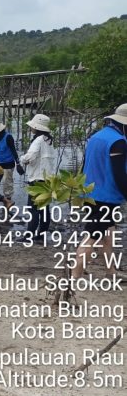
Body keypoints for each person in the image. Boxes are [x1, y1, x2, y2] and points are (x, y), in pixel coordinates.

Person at [72, 104, 127, 280]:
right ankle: (74, 277)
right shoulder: (118, 142)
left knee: (108, 232)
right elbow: (119, 175)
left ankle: (111, 272)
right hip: (105, 196)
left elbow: (84, 165)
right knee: (93, 235)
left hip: (88, 192)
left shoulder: (96, 136)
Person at [19, 114, 56, 239]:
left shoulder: (38, 140)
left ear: (36, 127)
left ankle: (29, 235)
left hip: (37, 178)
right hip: (48, 179)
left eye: (32, 126)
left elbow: (30, 156)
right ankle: (41, 234)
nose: (31, 128)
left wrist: (21, 160)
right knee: (44, 208)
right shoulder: (48, 140)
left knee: (33, 208)